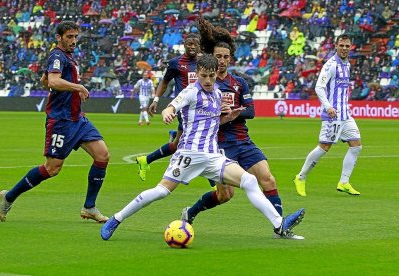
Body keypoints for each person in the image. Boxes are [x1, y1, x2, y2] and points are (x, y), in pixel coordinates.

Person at [100, 54, 305, 241]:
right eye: (204, 75)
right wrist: (167, 113)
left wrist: (230, 116)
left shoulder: (217, 93)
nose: (208, 80)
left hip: (212, 155)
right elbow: (171, 107)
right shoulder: (190, 92)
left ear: (217, 73)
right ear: (197, 73)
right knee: (161, 191)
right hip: (189, 154)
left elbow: (214, 121)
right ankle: (116, 219)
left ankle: (279, 225)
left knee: (250, 180)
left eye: (211, 76)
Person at [180, 17, 304, 239]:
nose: (222, 61)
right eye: (218, 56)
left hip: (242, 140)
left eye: (226, 57)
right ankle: (191, 211)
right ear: (211, 57)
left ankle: (281, 228)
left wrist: (232, 111)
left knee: (268, 179)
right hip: (217, 145)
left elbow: (251, 111)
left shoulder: (239, 83)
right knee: (225, 195)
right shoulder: (204, 85)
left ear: (231, 59)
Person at [0, 21, 110, 223]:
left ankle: (89, 207)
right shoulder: (57, 55)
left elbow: (45, 80)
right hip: (61, 121)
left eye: (75, 36)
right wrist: (77, 87)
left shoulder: (67, 57)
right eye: (69, 37)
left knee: (102, 156)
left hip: (78, 119)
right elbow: (53, 81)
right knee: (52, 168)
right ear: (59, 37)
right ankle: (9, 196)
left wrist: (58, 84)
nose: (74, 41)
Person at [293, 34, 362, 196]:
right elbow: (319, 87)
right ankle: (301, 177)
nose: (344, 48)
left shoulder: (347, 65)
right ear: (336, 46)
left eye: (347, 46)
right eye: (341, 45)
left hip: (345, 114)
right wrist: (328, 106)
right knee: (324, 147)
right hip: (333, 115)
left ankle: (344, 182)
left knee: (356, 145)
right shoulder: (331, 65)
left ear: (350, 47)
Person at [135, 33, 200, 181]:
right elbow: (164, 82)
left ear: (199, 45)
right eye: (189, 43)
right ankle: (214, 185)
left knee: (177, 144)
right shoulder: (176, 63)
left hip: (201, 108)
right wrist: (156, 100)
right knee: (201, 144)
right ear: (184, 45)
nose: (192, 46)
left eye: (195, 43)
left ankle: (146, 160)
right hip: (185, 110)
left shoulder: (203, 62)